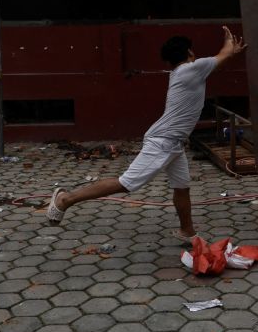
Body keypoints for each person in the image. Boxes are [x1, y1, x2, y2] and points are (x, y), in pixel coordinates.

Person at [46, 26, 247, 244]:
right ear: (189, 53)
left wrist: (230, 50)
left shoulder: (185, 72)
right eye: (193, 51)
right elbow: (224, 54)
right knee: (126, 183)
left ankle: (187, 231)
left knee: (182, 187)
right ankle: (66, 199)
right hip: (163, 142)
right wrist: (228, 41)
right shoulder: (191, 69)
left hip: (173, 143)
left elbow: (225, 57)